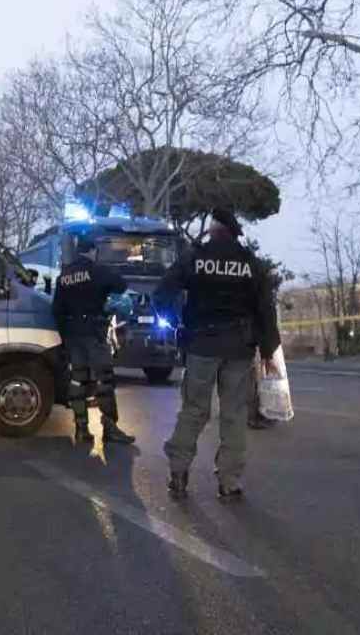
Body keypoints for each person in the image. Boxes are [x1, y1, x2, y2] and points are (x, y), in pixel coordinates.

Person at [154, 209, 280, 502]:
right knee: (234, 414)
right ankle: (229, 481)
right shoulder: (250, 263)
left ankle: (179, 474)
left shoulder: (194, 257)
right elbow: (265, 308)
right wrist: (268, 348)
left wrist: (174, 322)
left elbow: (162, 292)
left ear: (215, 229)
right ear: (234, 232)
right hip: (238, 347)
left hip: (200, 345)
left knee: (194, 410)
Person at [52, 234, 136, 445]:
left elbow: (57, 310)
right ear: (92, 252)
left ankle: (81, 429)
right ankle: (109, 428)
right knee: (104, 380)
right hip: (94, 332)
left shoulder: (64, 276)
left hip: (72, 334)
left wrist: (64, 339)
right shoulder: (97, 271)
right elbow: (121, 285)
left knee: (78, 380)